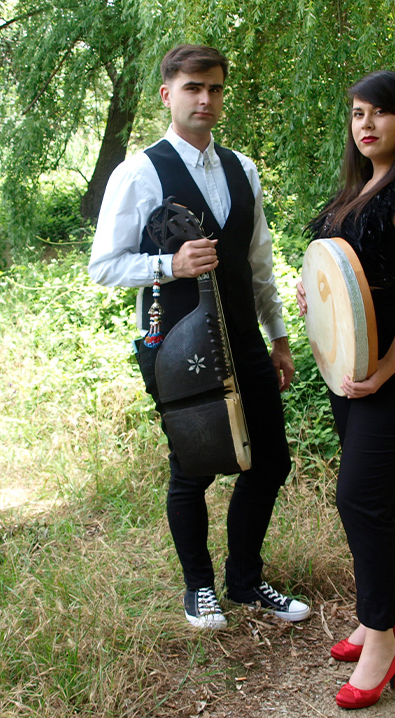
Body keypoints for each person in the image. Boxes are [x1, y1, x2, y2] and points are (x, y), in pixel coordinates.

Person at [89, 44, 309, 630]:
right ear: (168, 94)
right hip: (176, 345)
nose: (205, 99)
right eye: (192, 88)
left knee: (271, 462)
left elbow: (258, 265)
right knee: (193, 468)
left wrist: (279, 337)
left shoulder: (243, 169)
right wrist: (169, 265)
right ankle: (199, 589)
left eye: (214, 88)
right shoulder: (139, 172)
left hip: (244, 338)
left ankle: (245, 581)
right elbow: (103, 267)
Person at [298, 70, 395, 709]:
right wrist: (315, 297)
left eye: (380, 113)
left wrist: (387, 367)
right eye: (358, 113)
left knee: (359, 497)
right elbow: (342, 278)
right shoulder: (350, 195)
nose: (366, 124)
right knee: (382, 495)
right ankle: (380, 616)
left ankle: (382, 645)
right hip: (353, 370)